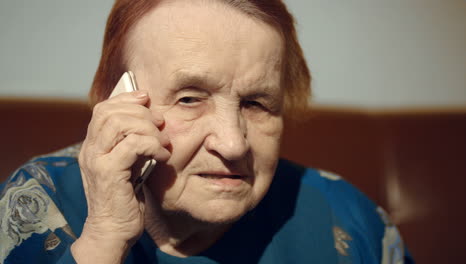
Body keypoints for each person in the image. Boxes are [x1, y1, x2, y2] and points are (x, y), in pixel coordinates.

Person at [0, 0, 414, 263]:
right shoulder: (38, 202)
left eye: (256, 104)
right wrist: (103, 239)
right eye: (190, 99)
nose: (233, 144)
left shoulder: (350, 220)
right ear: (117, 102)